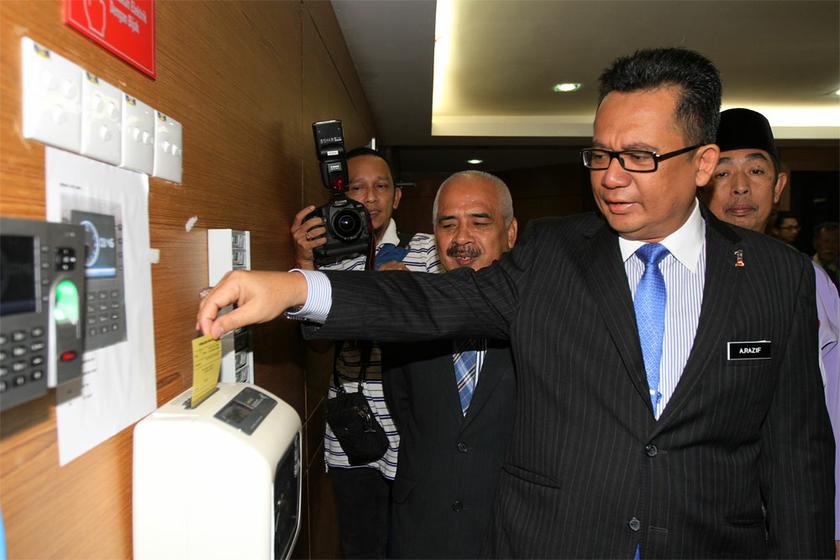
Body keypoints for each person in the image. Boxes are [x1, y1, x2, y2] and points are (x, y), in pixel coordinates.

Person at [198, 48, 834, 557]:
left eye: (639, 156)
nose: (611, 176)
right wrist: (295, 288)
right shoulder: (554, 255)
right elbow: (432, 302)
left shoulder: (777, 277)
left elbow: (797, 454)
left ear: (702, 163)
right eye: (600, 154)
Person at [289, 146, 441, 558]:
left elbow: (453, 319)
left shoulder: (427, 250)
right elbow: (316, 343)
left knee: (416, 545)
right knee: (362, 547)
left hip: (418, 429)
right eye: (357, 188)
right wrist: (305, 260)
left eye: (381, 187)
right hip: (353, 431)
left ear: (397, 196)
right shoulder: (329, 262)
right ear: (341, 197)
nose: (370, 198)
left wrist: (408, 290)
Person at [703, 107, 840, 554]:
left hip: (787, 518)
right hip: (700, 513)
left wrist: (832, 523)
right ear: (701, 179)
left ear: (779, 185)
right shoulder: (675, 271)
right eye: (724, 172)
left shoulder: (809, 279)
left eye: (756, 170)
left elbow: (828, 412)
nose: (740, 186)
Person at [383, 170, 518, 558]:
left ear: (510, 234)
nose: (461, 239)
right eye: (448, 224)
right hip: (420, 525)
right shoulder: (407, 314)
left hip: (505, 526)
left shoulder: (537, 316)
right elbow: (402, 405)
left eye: (479, 222)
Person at [814, 222, 840, 291]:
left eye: (835, 241)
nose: (830, 246)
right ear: (815, 243)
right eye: (826, 241)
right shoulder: (804, 267)